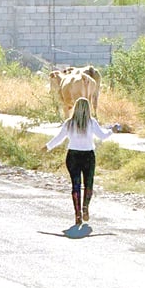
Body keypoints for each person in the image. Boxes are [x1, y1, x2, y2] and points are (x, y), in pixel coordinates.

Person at [42, 97, 116, 226]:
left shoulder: (69, 123)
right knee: (89, 183)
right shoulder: (92, 122)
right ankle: (85, 207)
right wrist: (112, 130)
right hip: (88, 155)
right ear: (88, 109)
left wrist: (47, 147)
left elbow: (59, 138)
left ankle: (77, 214)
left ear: (75, 108)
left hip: (73, 156)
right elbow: (103, 136)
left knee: (75, 185)